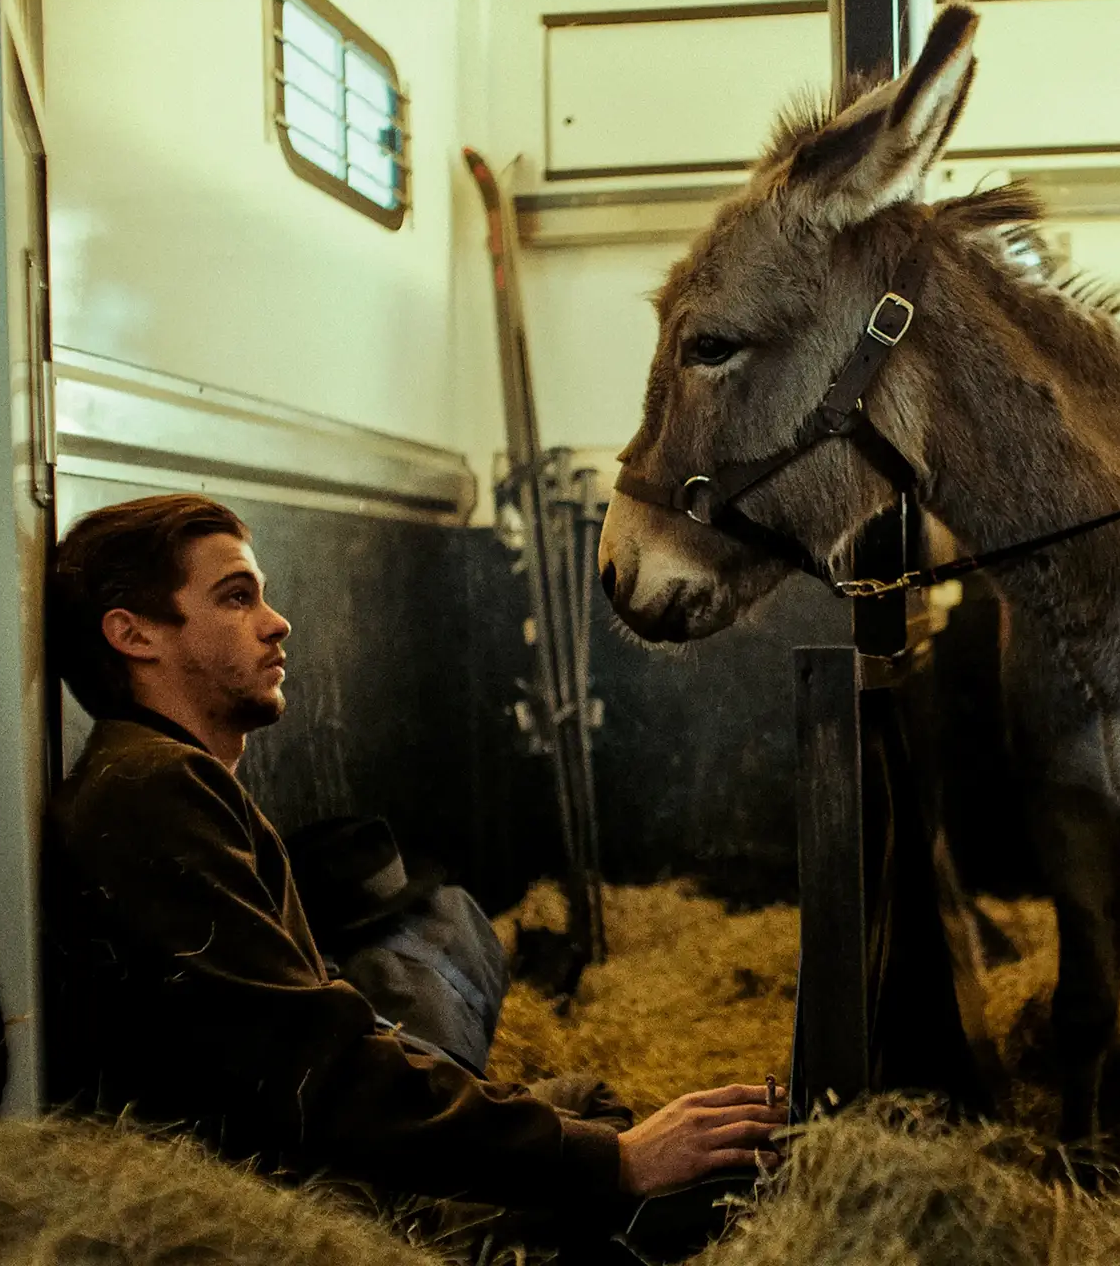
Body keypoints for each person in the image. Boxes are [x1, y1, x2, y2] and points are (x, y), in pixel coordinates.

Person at [41, 493, 781, 1241]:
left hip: (312, 1169)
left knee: (584, 1098)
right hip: (298, 1215)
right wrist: (616, 1162)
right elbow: (318, 1073)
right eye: (236, 597)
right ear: (133, 635)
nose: (277, 621)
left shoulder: (154, 778)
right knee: (639, 1164)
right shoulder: (155, 788)